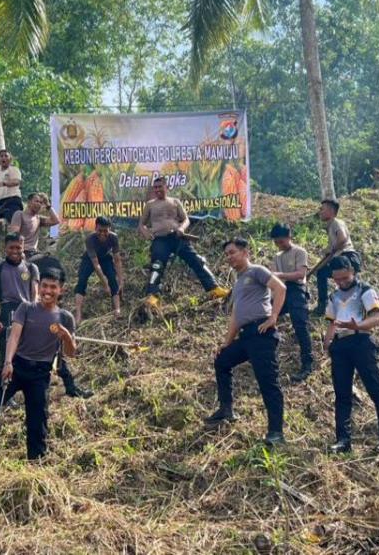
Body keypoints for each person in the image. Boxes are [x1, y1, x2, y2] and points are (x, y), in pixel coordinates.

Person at [0, 266, 79, 462]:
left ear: (61, 290)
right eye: (45, 286)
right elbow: (14, 336)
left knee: (37, 421)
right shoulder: (27, 308)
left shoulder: (65, 317)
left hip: (40, 374)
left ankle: (36, 462)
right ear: (39, 287)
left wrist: (66, 336)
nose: (48, 291)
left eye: (53, 287)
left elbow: (70, 353)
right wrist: (7, 362)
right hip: (16, 367)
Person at [0, 233, 91, 398]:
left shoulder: (31, 268)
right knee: (7, 353)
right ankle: (3, 392)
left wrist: (37, 315)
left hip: (30, 311)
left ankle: (70, 386)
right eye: (11, 247)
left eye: (18, 248)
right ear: (5, 248)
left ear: (23, 247)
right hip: (8, 312)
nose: (15, 251)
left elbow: (35, 295)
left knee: (54, 350)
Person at [205, 238, 287, 446]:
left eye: (232, 252)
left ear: (245, 252)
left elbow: (280, 288)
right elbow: (236, 316)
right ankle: (226, 409)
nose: (229, 257)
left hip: (262, 333)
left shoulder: (257, 271)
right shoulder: (239, 281)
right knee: (222, 360)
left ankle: (276, 432)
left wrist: (273, 317)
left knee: (268, 382)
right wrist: (227, 342)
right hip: (246, 336)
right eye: (227, 255)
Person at [323, 256, 379, 453]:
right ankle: (343, 440)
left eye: (345, 278)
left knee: (376, 390)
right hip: (340, 345)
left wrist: (358, 325)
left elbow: (376, 318)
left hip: (360, 341)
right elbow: (332, 323)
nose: (342, 282)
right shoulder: (334, 296)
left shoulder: (365, 291)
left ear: (352, 271)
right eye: (337, 280)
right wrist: (327, 343)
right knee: (342, 394)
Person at [138, 177, 229, 306]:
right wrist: (147, 233)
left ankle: (214, 288)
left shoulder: (175, 202)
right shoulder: (150, 204)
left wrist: (181, 228)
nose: (157, 189)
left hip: (177, 238)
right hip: (160, 240)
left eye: (160, 187)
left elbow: (186, 219)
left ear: (166, 187)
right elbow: (141, 225)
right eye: (156, 187)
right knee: (157, 266)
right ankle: (152, 296)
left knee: (197, 260)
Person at [270, 223, 315, 382]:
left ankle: (308, 363)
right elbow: (274, 279)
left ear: (289, 237)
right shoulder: (277, 257)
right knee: (265, 316)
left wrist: (279, 274)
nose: (279, 245)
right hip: (281, 291)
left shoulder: (299, 251)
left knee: (300, 325)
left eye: (281, 241)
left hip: (296, 290)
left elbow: (300, 274)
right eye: (276, 242)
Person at [314, 199, 362, 316]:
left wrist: (330, 249)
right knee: (321, 272)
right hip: (341, 258)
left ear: (330, 211)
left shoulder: (336, 222)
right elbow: (332, 252)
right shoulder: (331, 227)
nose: (320, 212)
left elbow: (343, 239)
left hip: (347, 257)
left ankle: (323, 305)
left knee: (345, 282)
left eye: (322, 209)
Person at [74, 216, 123, 324]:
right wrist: (105, 284)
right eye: (100, 230)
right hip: (89, 259)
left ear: (110, 229)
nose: (102, 233)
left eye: (105, 231)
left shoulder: (113, 238)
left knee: (112, 279)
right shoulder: (90, 239)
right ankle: (78, 314)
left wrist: (121, 280)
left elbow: (117, 260)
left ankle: (117, 310)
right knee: (82, 281)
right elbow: (96, 265)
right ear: (95, 228)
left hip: (105, 258)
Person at [8, 193, 60, 259]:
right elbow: (14, 235)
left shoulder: (38, 219)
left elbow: (56, 221)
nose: (39, 204)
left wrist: (48, 205)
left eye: (41, 202)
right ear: (29, 202)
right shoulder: (19, 214)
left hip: (34, 253)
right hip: (22, 252)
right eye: (37, 201)